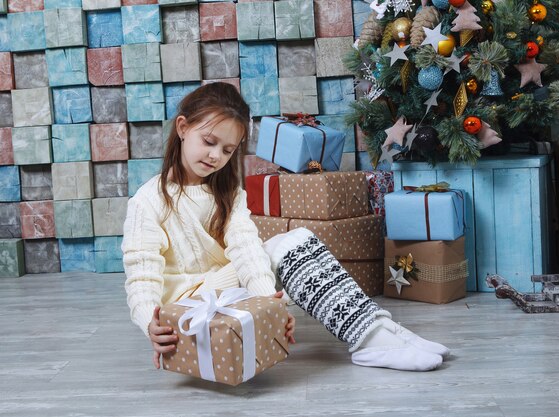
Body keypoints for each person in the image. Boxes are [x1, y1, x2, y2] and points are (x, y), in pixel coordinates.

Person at [122, 82, 450, 373]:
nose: (215, 156)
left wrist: (270, 308)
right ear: (182, 128)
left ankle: (377, 329)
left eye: (227, 150)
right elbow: (142, 275)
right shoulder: (148, 201)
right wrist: (149, 321)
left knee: (298, 238)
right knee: (284, 245)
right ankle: (370, 338)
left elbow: (246, 248)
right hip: (191, 308)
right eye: (208, 141)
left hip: (229, 296)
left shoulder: (227, 194)